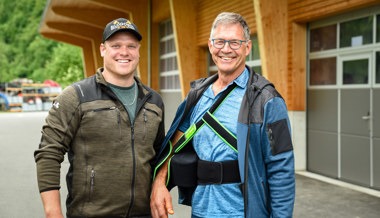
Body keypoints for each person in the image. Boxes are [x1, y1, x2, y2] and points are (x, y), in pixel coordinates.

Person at [150, 12, 295, 218]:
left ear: (247, 47)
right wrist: (159, 182)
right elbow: (174, 145)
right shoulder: (196, 96)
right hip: (200, 212)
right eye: (220, 42)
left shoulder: (267, 101)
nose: (226, 49)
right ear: (210, 46)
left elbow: (281, 167)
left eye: (235, 42)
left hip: (243, 213)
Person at [34, 18, 165, 218]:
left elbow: (159, 157)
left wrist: (160, 185)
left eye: (131, 46)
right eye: (116, 46)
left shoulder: (153, 101)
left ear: (138, 51)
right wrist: (53, 213)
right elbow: (48, 154)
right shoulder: (76, 96)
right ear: (103, 50)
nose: (124, 52)